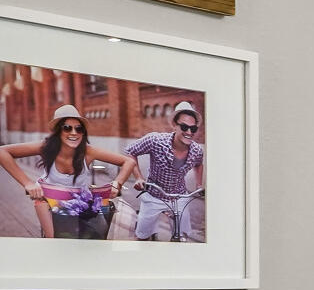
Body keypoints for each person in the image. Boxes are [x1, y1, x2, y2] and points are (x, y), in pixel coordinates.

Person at [2, 103, 132, 239]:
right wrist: (27, 183)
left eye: (79, 129)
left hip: (80, 204)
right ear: (58, 131)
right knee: (56, 241)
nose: (73, 133)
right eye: (67, 128)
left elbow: (128, 161)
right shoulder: (46, 146)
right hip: (49, 202)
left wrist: (117, 184)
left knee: (94, 239)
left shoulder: (88, 151)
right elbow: (3, 152)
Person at [118, 100, 207, 243]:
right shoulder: (156, 140)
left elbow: (198, 164)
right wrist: (139, 178)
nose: (189, 132)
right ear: (174, 126)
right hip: (154, 195)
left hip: (179, 196)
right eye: (184, 127)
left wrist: (198, 185)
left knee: (182, 237)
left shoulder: (197, 150)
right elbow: (130, 151)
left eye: (193, 128)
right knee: (141, 236)